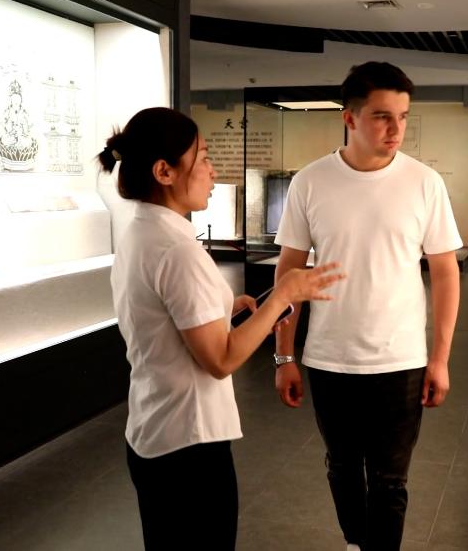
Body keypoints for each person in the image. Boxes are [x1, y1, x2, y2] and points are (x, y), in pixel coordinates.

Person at [98, 107, 345, 550]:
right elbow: (221, 359)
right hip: (188, 446)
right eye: (204, 157)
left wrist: (227, 308)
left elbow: (164, 318)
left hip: (155, 431)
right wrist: (283, 295)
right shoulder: (177, 251)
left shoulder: (141, 233)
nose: (213, 170)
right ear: (164, 171)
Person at [273, 62, 462, 551]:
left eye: (402, 116)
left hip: (400, 360)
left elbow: (445, 272)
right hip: (329, 358)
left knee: (390, 480)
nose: (396, 128)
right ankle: (356, 543)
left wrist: (440, 358)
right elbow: (288, 273)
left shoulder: (424, 183)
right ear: (349, 117)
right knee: (341, 467)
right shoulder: (311, 182)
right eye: (382, 116)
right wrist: (284, 355)